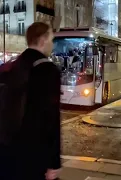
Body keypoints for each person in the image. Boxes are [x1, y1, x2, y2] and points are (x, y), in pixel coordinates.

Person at [0, 22, 61, 180]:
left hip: (7, 150)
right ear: (42, 41)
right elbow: (51, 119)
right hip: (34, 154)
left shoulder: (10, 67)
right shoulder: (47, 70)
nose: (52, 45)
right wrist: (53, 162)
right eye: (51, 40)